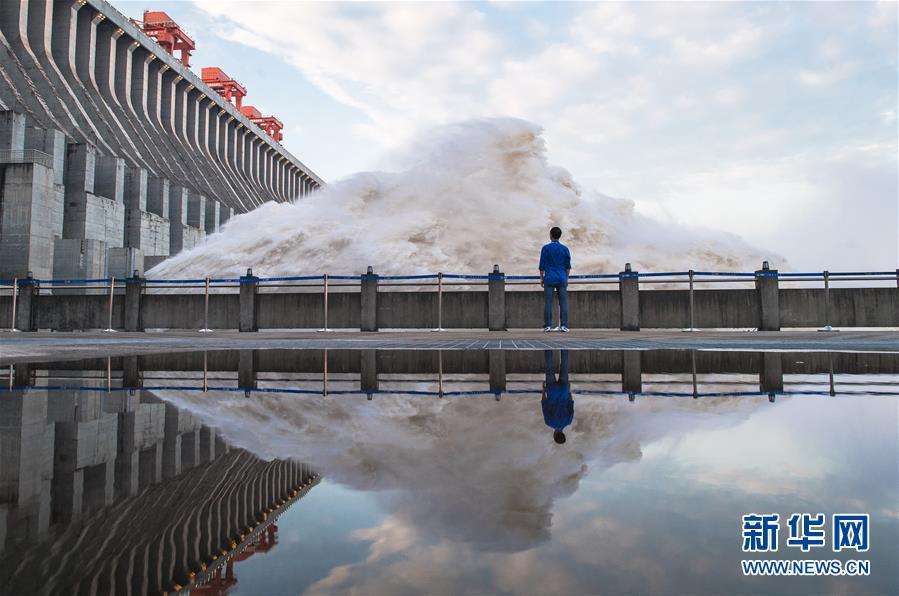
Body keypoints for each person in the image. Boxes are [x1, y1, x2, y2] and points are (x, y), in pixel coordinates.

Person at [539, 226, 571, 332]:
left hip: (549, 278)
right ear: (559, 236)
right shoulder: (565, 249)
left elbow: (542, 265)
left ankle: (547, 326)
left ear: (550, 235)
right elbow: (567, 266)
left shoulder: (545, 248)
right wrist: (566, 279)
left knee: (548, 302)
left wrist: (541, 278)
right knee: (563, 302)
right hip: (561, 278)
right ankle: (564, 325)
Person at [542, 350, 573, 444]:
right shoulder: (549, 422)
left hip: (564, 391)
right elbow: (544, 403)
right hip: (552, 391)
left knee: (564, 366)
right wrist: (544, 390)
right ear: (554, 435)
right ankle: (547, 346)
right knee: (549, 367)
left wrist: (568, 389)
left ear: (563, 434)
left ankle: (564, 347)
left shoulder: (568, 421)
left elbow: (571, 402)